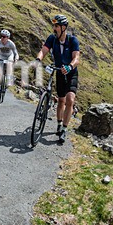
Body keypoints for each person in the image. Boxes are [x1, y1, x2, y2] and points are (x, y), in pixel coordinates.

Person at [35, 14, 80, 145]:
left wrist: (70, 66)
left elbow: (76, 58)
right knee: (61, 101)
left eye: (56, 26)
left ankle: (65, 129)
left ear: (64, 27)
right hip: (59, 72)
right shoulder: (52, 39)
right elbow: (43, 50)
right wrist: (38, 59)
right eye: (53, 25)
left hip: (71, 73)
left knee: (70, 100)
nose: (54, 28)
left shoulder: (72, 40)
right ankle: (59, 124)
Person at [0, 29, 19, 100]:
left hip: (10, 56)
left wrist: (16, 59)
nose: (2, 38)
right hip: (2, 56)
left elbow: (16, 53)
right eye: (1, 36)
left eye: (4, 37)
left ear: (7, 38)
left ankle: (8, 79)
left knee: (9, 65)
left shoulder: (11, 44)